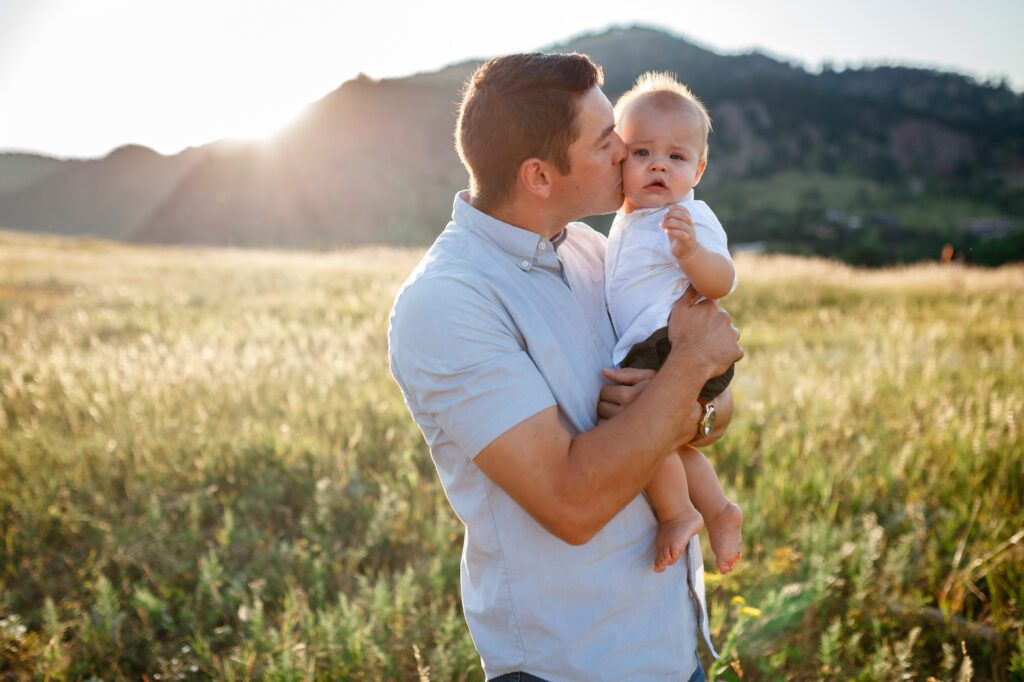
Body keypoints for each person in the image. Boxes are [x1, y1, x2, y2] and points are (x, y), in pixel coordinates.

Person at [388, 53, 742, 681]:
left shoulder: (593, 250)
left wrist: (703, 403)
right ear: (539, 176)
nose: (627, 153)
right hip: (575, 661)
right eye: (609, 141)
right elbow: (571, 505)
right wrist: (691, 365)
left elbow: (706, 408)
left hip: (673, 644)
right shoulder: (448, 302)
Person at [605, 72, 743, 575]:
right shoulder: (629, 219)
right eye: (642, 153)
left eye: (676, 157)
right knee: (670, 441)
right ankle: (719, 510)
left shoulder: (690, 217)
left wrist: (690, 253)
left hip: (670, 343)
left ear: (698, 169)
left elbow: (723, 280)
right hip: (650, 345)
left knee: (639, 426)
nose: (659, 164)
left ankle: (678, 512)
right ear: (619, 159)